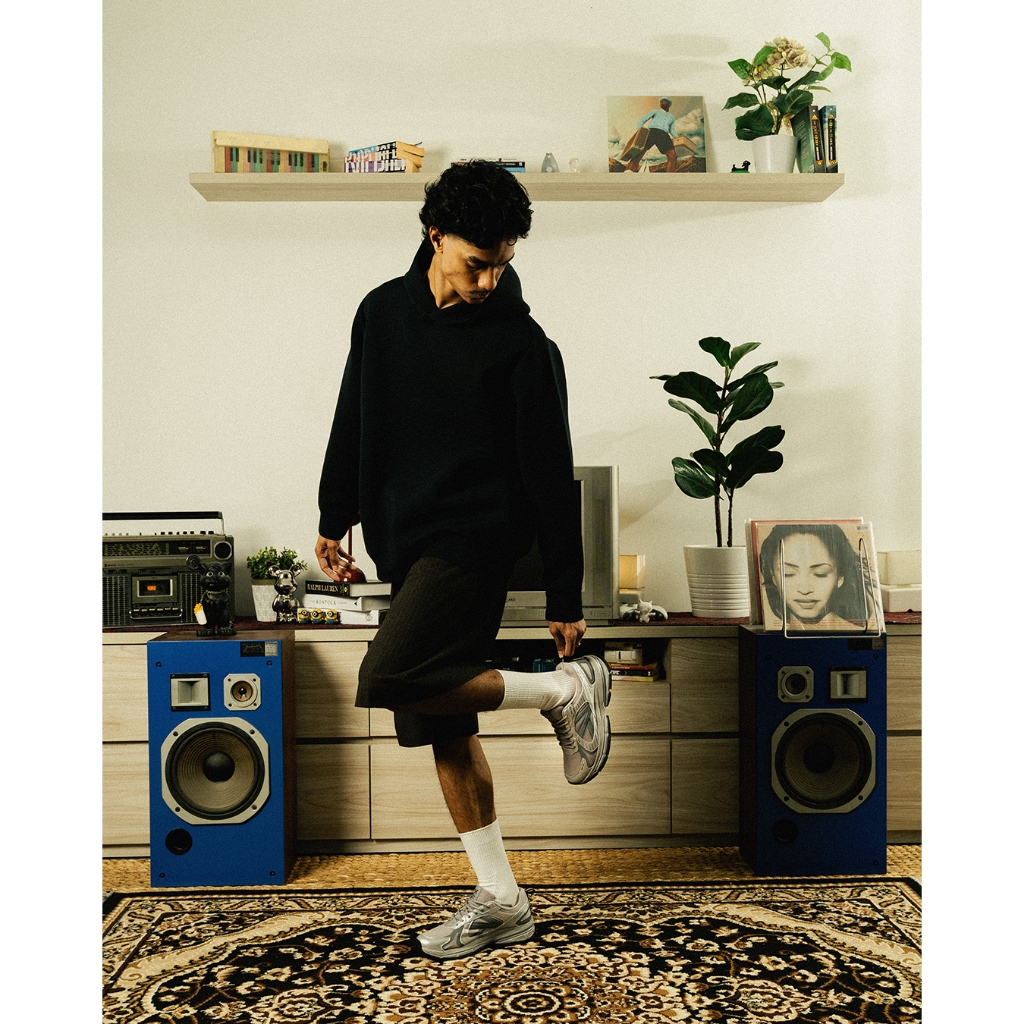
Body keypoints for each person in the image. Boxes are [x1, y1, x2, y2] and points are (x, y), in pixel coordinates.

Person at [314, 160, 612, 960]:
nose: (488, 282)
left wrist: (565, 592)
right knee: (443, 724)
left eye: (502, 266)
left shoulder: (522, 345)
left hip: (477, 541)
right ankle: (502, 901)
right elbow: (354, 415)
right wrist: (334, 516)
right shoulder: (382, 312)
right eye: (477, 263)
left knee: (388, 676)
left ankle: (566, 689)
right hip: (406, 542)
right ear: (435, 233)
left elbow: (551, 474)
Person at [758, 523, 869, 630]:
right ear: (773, 576)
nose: (805, 590)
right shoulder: (773, 633)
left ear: (840, 577)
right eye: (788, 573)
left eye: (820, 574)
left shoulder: (859, 634)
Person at [626, 97, 679, 172]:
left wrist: (678, 138)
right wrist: (640, 131)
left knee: (673, 156)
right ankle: (628, 173)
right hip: (652, 132)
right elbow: (642, 120)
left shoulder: (672, 117)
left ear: (669, 104)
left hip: (664, 135)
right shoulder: (655, 111)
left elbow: (672, 130)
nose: (662, 102)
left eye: (664, 101)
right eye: (661, 101)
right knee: (639, 152)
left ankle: (670, 176)